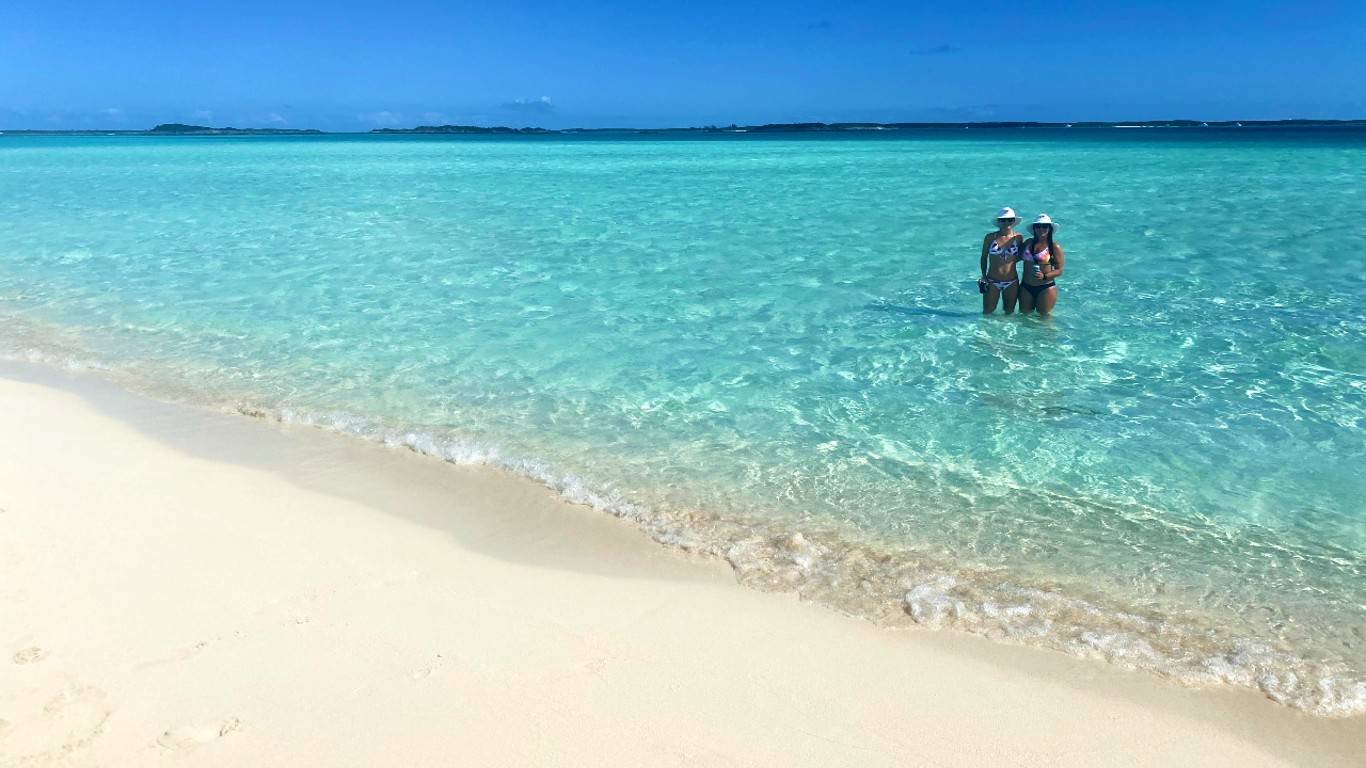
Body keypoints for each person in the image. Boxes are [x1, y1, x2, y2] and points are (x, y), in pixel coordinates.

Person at [978, 207, 1023, 314]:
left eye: (1009, 219)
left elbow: (1022, 255)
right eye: (1003, 220)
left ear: (1013, 221)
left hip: (1012, 281)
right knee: (987, 313)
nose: (1006, 222)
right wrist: (983, 276)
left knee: (1009, 313)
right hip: (992, 281)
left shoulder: (1018, 238)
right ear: (999, 221)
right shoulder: (990, 237)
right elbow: (984, 257)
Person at [1018, 213, 1065, 316]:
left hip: (1045, 287)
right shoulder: (1028, 243)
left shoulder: (1054, 247)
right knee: (1023, 318)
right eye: (1038, 226)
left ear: (1050, 228)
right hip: (1026, 287)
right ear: (1034, 228)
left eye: (1045, 226)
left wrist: (1044, 276)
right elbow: (1014, 258)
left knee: (1044, 322)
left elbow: (1059, 270)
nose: (1041, 229)